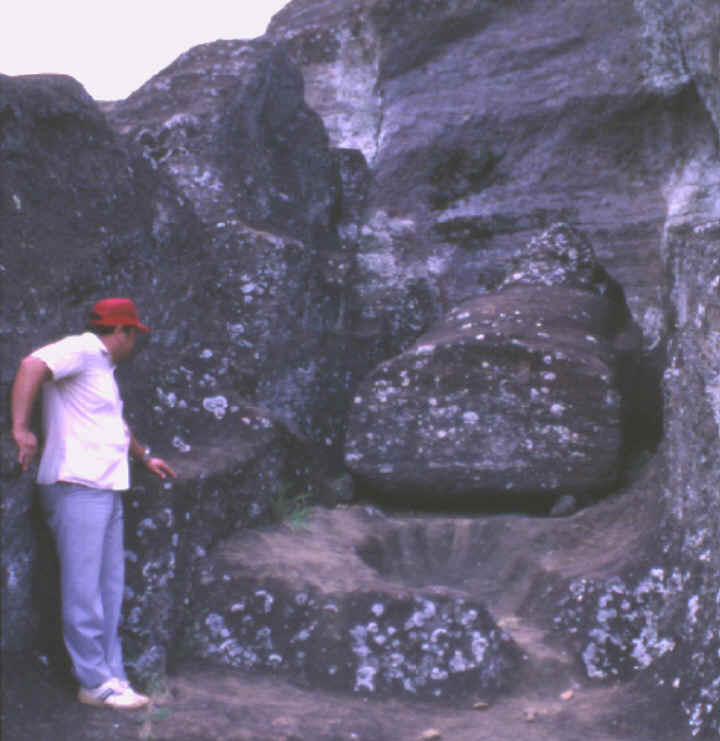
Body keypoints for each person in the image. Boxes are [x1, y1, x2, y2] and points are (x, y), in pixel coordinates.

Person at [10, 297, 177, 710]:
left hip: (104, 487)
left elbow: (113, 426)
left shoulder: (103, 370)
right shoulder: (83, 349)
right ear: (121, 331)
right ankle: (94, 681)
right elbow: (32, 365)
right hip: (76, 485)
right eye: (134, 334)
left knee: (107, 589)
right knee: (84, 591)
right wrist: (21, 429)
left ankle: (112, 676)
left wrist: (144, 457)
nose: (136, 342)